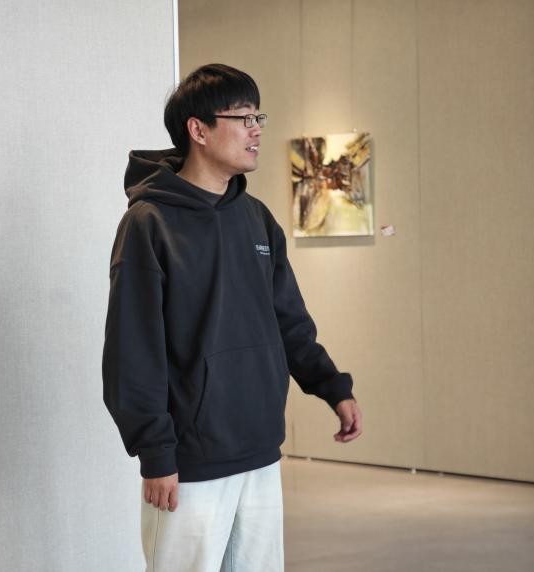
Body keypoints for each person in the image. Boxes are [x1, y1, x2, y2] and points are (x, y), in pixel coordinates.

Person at [102, 63, 362, 572]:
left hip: (260, 450)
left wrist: (332, 386)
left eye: (257, 116)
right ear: (198, 130)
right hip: (190, 463)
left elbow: (289, 322)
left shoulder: (257, 219)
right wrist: (156, 452)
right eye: (242, 118)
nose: (256, 129)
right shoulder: (148, 224)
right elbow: (133, 351)